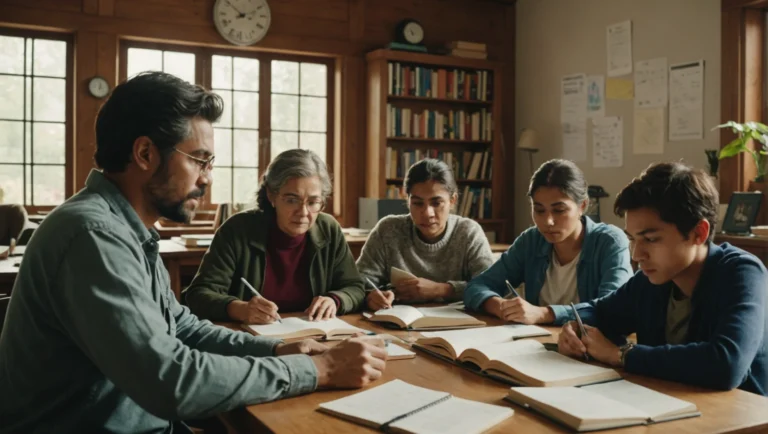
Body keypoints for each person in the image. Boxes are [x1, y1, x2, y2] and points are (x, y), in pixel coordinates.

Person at [0, 72, 386, 433]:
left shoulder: (126, 228)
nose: (208, 176)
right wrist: (322, 368)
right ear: (145, 154)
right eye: (200, 160)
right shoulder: (93, 234)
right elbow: (173, 381)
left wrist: (282, 347)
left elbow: (182, 326)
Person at [558, 162, 768, 396]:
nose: (637, 255)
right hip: (668, 406)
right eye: (633, 239)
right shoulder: (653, 279)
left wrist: (621, 354)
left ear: (699, 233)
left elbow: (726, 364)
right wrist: (575, 327)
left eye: (651, 239)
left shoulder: (742, 273)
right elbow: (600, 311)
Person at [185, 149, 365, 324]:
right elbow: (198, 295)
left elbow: (355, 287)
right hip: (248, 340)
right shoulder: (236, 230)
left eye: (313, 202)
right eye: (291, 200)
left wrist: (335, 300)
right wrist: (239, 309)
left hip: (314, 335)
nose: (303, 212)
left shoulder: (329, 229)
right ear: (271, 195)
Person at [464, 159, 632, 325]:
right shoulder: (531, 241)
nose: (548, 221)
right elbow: (476, 286)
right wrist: (500, 306)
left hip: (590, 347)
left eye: (559, 210)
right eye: (539, 210)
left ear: (582, 206)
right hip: (539, 343)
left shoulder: (610, 242)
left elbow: (613, 309)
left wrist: (545, 314)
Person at [357, 159, 495, 310]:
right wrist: (371, 296)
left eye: (436, 203)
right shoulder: (388, 230)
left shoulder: (469, 232)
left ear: (453, 200)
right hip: (397, 322)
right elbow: (359, 283)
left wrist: (442, 289)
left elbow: (490, 285)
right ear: (407, 199)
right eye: (417, 203)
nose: (427, 213)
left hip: (460, 325)